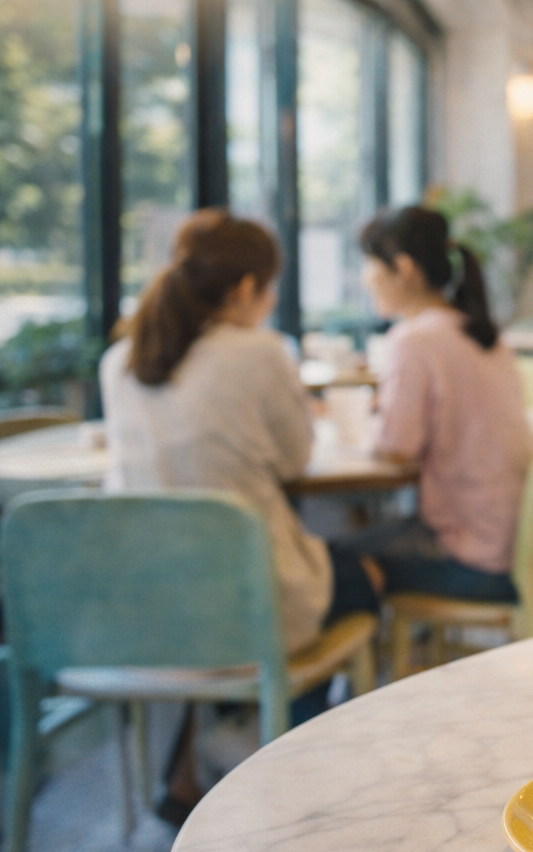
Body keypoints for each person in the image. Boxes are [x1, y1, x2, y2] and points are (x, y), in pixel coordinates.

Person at [100, 209, 381, 819]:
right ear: (246, 288)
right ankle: (273, 757)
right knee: (366, 576)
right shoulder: (258, 353)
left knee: (214, 587)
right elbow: (295, 459)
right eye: (270, 286)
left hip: (145, 617)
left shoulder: (119, 363)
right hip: (248, 614)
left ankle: (193, 770)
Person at [355, 206, 533, 601]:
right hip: (531, 543)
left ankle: (394, 660)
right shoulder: (482, 332)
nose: (364, 278)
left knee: (339, 555)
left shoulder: (413, 340)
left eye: (369, 265)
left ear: (402, 269)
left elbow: (396, 448)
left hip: (477, 557)